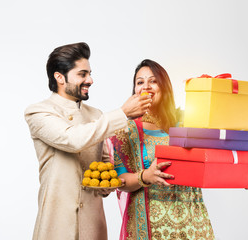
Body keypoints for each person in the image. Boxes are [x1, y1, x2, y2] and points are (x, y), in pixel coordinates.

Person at [24, 42, 152, 240]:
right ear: (59, 77)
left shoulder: (96, 115)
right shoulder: (39, 112)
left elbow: (105, 164)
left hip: (93, 226)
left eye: (90, 73)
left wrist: (107, 185)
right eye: (82, 74)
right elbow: (73, 139)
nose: (90, 80)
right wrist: (123, 113)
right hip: (57, 224)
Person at [111, 59, 215, 240]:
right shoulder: (125, 130)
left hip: (192, 222)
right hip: (150, 226)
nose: (146, 87)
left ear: (165, 86)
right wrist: (145, 176)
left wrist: (238, 173)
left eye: (153, 81)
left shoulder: (187, 122)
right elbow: (120, 179)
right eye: (140, 82)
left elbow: (210, 158)